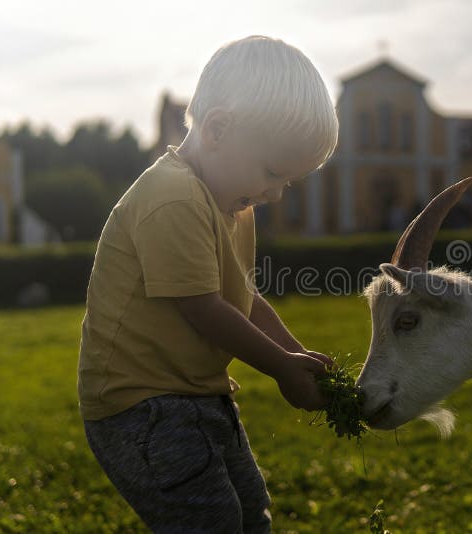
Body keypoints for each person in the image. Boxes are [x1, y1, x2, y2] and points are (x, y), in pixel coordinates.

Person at [77, 36, 339, 533]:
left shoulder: (233, 203)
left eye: (289, 182)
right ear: (217, 128)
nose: (276, 193)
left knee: (250, 512)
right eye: (272, 172)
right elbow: (206, 310)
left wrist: (296, 355)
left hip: (198, 395)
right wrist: (281, 369)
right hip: (142, 407)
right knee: (211, 521)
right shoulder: (172, 196)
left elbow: (244, 300)